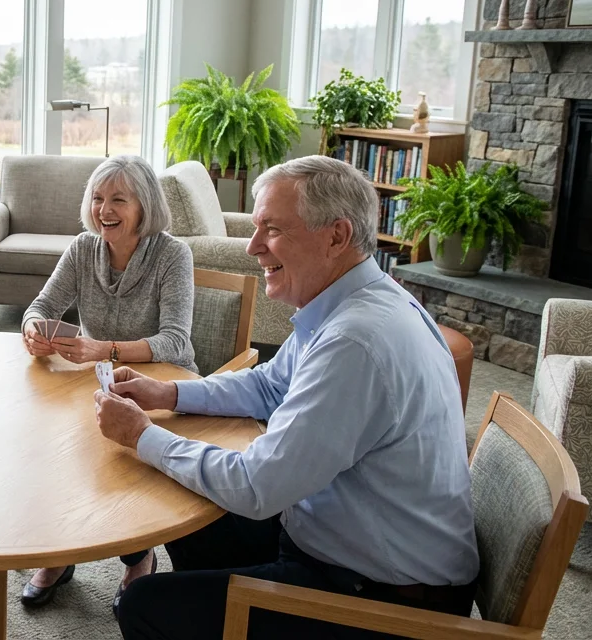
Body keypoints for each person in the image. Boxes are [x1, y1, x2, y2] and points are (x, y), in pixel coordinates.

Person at [94, 156, 479, 640]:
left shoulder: (354, 342)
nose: (253, 247)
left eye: (271, 230)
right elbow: (268, 385)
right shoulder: (349, 304)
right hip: (345, 539)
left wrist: (142, 435)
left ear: (336, 236)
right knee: (184, 506)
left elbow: (257, 488)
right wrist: (167, 391)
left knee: (145, 605)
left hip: (383, 597)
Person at [19, 155, 196, 613]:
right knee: (49, 443)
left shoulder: (173, 255)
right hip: (99, 379)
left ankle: (139, 557)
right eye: (98, 198)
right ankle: (59, 549)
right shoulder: (83, 248)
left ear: (145, 206)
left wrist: (105, 349)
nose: (104, 209)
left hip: (163, 386)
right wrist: (35, 330)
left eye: (119, 199)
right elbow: (40, 306)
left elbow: (175, 342)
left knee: (120, 459)